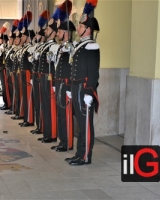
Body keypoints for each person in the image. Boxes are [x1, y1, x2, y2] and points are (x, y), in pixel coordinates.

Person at [65, 12, 100, 164]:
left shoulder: (92, 46)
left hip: (84, 87)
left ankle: (85, 156)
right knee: (80, 122)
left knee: (85, 123)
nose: (78, 28)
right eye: (79, 26)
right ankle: (79, 153)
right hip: (76, 86)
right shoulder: (80, 45)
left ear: (88, 29)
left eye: (80, 26)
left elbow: (93, 71)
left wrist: (89, 91)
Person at [52, 19, 76, 152]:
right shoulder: (61, 47)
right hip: (59, 82)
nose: (58, 33)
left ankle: (68, 143)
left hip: (66, 84)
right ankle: (62, 141)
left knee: (66, 114)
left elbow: (73, 68)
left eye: (60, 31)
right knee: (60, 113)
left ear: (66, 33)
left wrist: (69, 88)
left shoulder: (71, 47)